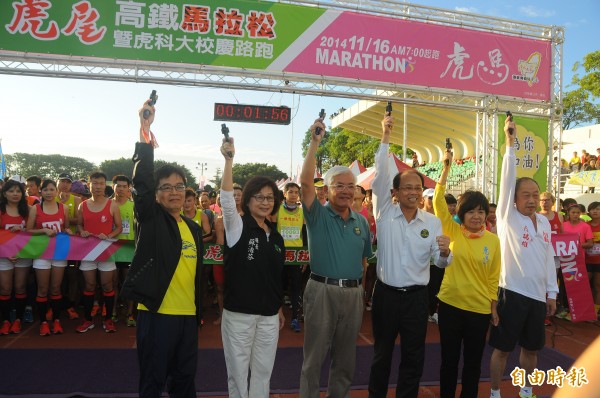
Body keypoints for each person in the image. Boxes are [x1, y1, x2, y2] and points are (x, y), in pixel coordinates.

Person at [120, 99, 204, 398]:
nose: (174, 192)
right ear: (155, 196)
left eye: (179, 187)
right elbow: (141, 182)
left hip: (188, 317)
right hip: (157, 315)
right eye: (166, 187)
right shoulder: (152, 219)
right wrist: (145, 131)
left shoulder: (194, 228)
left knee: (185, 382)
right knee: (153, 383)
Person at [368, 113, 451, 398]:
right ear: (395, 191)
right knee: (382, 356)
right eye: (408, 187)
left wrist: (444, 253)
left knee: (414, 358)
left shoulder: (432, 222)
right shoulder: (384, 212)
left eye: (418, 188)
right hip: (386, 296)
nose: (414, 192)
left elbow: (440, 262)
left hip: (418, 298)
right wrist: (385, 136)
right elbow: (380, 173)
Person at [299, 117, 372, 398]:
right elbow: (305, 183)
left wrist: (360, 291)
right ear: (327, 189)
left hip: (353, 294)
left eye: (350, 186)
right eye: (338, 185)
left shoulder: (362, 222)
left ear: (356, 191)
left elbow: (364, 262)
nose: (345, 190)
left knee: (345, 360)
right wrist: (315, 143)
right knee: (314, 358)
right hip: (321, 291)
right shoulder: (317, 214)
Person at [489, 116, 559, 398]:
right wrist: (510, 143)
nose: (531, 200)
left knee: (532, 349)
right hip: (511, 294)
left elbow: (547, 258)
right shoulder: (507, 217)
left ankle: (526, 390)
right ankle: (495, 392)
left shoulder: (542, 223)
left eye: (534, 195)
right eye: (525, 195)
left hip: (537, 298)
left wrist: (551, 293)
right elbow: (507, 179)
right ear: (514, 198)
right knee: (502, 349)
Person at [219, 135, 285, 398]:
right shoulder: (237, 227)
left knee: (263, 373)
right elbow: (226, 200)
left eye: (270, 197)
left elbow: (274, 277)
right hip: (239, 316)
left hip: (269, 317)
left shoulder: (276, 236)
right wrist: (228, 160)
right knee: (238, 374)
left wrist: (278, 307)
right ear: (246, 200)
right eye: (259, 197)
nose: (265, 202)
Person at [434, 149, 501, 398]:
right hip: (450, 305)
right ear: (462, 214)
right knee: (448, 361)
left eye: (481, 211)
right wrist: (446, 168)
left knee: (473, 364)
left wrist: (493, 306)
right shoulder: (452, 228)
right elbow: (437, 200)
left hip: (479, 310)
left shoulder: (493, 241)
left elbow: (494, 276)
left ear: (486, 215)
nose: (476, 216)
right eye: (471, 211)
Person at [76, 172, 122, 333]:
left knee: (107, 285)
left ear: (105, 185)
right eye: (95, 183)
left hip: (105, 251)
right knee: (89, 285)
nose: (98, 187)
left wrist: (108, 236)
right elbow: (79, 225)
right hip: (88, 252)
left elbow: (119, 227)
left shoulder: (112, 205)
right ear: (89, 185)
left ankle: (108, 319)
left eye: (101, 183)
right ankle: (88, 319)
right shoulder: (82, 205)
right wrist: (81, 231)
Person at [26, 179, 72, 335]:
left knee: (56, 288)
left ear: (56, 191)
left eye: (52, 189)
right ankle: (44, 322)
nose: (48, 192)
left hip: (59, 253)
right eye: (45, 189)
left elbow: (66, 227)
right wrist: (43, 231)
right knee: (43, 289)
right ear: (41, 191)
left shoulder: (64, 208)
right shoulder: (35, 209)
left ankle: (57, 321)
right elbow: (28, 230)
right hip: (41, 253)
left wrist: (68, 231)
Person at [0, 179, 32, 335]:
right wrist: (6, 253)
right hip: (4, 256)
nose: (15, 194)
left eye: (18, 191)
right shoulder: (1, 210)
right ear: (5, 193)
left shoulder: (29, 210)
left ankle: (18, 319)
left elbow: (35, 232)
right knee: (5, 288)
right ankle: (6, 320)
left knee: (20, 287)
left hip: (23, 255)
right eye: (11, 191)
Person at [276, 182, 305, 332]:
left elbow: (306, 235)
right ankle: (277, 314)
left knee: (295, 288)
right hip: (280, 255)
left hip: (296, 256)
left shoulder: (302, 212)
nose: (293, 194)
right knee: (279, 286)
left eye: (296, 192)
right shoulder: (278, 211)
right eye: (291, 192)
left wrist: (305, 257)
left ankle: (295, 317)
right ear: (285, 194)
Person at [112, 175, 137, 327]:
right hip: (111, 249)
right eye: (118, 186)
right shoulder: (107, 205)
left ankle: (129, 313)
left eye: (124, 186)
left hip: (129, 250)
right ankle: (113, 311)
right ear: (114, 187)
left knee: (129, 282)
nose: (121, 189)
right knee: (112, 282)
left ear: (129, 188)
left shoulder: (134, 206)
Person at [586, 202, 600, 320]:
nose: (595, 211)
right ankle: (586, 310)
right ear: (589, 212)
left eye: (598, 209)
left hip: (599, 262)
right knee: (585, 286)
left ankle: (596, 312)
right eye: (593, 209)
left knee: (597, 286)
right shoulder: (586, 225)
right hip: (586, 261)